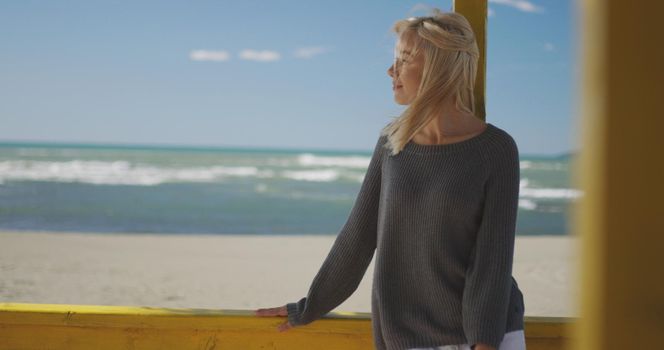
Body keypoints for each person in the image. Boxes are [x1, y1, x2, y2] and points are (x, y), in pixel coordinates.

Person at [255, 8, 526, 350]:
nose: (390, 71)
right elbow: (359, 235)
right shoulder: (392, 142)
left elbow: (492, 260)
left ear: (437, 66)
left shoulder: (496, 149)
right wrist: (311, 305)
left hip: (491, 333)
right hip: (408, 334)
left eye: (403, 59)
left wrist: (483, 342)